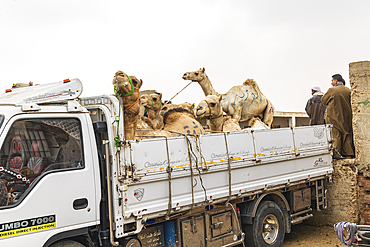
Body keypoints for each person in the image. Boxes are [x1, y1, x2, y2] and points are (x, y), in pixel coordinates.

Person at [322, 74, 355, 159]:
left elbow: (324, 101)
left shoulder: (332, 90)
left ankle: (337, 157)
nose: (331, 82)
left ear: (336, 81)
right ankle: (348, 156)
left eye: (332, 80)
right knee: (347, 136)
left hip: (334, 118)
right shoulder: (348, 90)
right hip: (347, 117)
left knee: (336, 136)